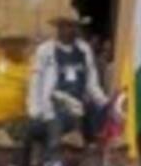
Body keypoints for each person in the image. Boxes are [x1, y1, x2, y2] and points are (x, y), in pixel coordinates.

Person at [28, 10, 107, 157]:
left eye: (72, 26)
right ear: (58, 27)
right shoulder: (45, 50)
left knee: (77, 147)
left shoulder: (84, 49)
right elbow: (36, 81)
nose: (69, 30)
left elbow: (91, 81)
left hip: (78, 107)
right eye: (64, 26)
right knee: (55, 145)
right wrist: (35, 109)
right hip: (54, 106)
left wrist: (104, 102)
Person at [0, 35, 33, 145]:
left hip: (18, 120)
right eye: (9, 43)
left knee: (15, 153)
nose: (12, 47)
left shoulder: (31, 67)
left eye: (17, 43)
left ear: (23, 46)